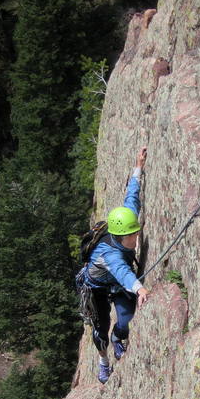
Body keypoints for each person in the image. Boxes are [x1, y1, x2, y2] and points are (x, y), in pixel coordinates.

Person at [80, 147, 150, 383]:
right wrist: (139, 288)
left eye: (136, 232)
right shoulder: (109, 255)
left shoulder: (126, 221)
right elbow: (121, 271)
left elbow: (131, 197)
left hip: (116, 283)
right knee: (100, 329)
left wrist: (138, 166)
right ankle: (103, 361)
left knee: (127, 316)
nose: (136, 238)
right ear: (119, 237)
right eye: (132, 236)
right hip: (97, 288)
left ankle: (118, 337)